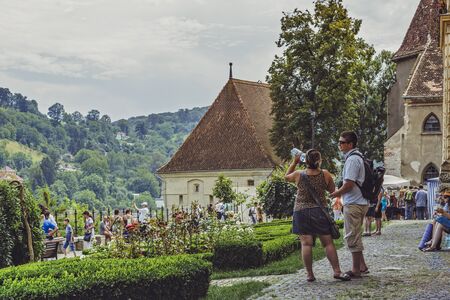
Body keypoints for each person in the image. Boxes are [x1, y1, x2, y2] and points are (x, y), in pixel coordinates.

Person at [286, 149, 350, 282]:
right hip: (319, 211)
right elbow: (333, 191)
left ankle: (310, 275)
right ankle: (337, 271)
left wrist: (294, 162)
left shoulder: (298, 174)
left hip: (301, 211)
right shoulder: (325, 174)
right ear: (319, 161)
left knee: (306, 244)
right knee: (327, 243)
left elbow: (286, 177)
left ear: (306, 161)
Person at [330, 131, 369, 278]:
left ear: (350, 144)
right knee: (356, 235)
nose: (339, 144)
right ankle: (362, 266)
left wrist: (336, 193)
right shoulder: (358, 157)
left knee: (352, 236)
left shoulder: (352, 159)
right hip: (360, 201)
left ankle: (355, 270)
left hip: (354, 202)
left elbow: (349, 184)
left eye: (342, 142)